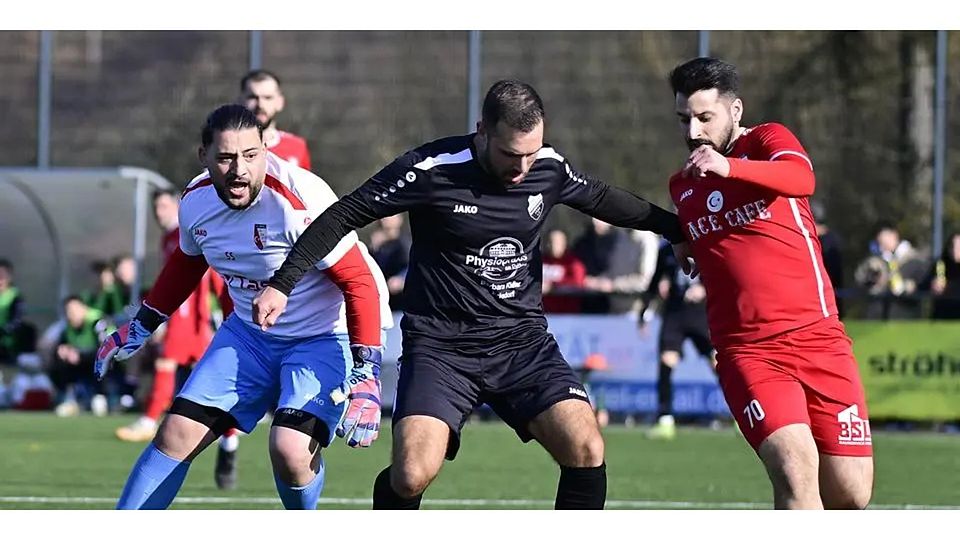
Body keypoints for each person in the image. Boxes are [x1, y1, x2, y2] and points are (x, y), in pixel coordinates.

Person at [252, 79, 688, 510]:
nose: (522, 168)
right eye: (510, 155)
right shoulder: (431, 168)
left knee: (586, 449)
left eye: (531, 154)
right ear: (482, 130)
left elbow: (604, 199)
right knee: (410, 476)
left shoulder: (548, 167)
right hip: (441, 348)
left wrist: (678, 230)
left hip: (522, 343)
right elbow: (344, 214)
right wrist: (282, 283)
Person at [95, 104, 391, 510]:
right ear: (204, 157)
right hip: (249, 336)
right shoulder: (196, 201)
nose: (240, 170)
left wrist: (368, 373)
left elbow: (359, 281)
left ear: (266, 150)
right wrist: (143, 324)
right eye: (226, 157)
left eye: (250, 156)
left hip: (324, 335)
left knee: (289, 449)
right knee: (175, 434)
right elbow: (188, 261)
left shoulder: (300, 200)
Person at [667, 57, 873, 509]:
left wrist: (729, 168)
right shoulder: (682, 187)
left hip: (821, 340)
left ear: (735, 110)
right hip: (750, 352)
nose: (693, 132)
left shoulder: (767, 140)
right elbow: (695, 235)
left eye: (705, 118)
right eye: (684, 119)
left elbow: (802, 178)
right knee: (796, 475)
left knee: (852, 494)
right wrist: (678, 240)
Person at [645, 240, 716, 440]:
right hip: (674, 314)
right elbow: (656, 278)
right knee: (667, 361)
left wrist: (704, 288)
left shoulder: (704, 239)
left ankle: (740, 414)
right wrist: (645, 310)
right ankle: (665, 419)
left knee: (718, 362)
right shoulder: (666, 248)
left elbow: (722, 269)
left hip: (701, 314)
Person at [50, 296, 114, 417]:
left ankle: (101, 397)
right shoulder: (68, 327)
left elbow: (107, 349)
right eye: (68, 311)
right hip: (82, 361)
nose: (71, 314)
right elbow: (62, 345)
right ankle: (69, 399)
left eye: (74, 310)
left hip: (113, 360)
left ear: (84, 308)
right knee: (58, 362)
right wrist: (63, 351)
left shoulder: (97, 321)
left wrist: (80, 355)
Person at [240, 69, 312, 170]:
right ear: (240, 100)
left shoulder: (297, 146)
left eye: (267, 97)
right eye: (252, 97)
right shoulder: (228, 146)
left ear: (280, 102)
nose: (260, 104)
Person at [854, 223, 927, 320]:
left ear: (894, 235)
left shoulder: (915, 259)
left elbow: (923, 284)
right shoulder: (876, 261)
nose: (882, 247)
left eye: (884, 242)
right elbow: (860, 279)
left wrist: (906, 287)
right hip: (878, 317)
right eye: (880, 243)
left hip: (906, 317)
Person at [369, 214, 411, 309]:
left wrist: (400, 279)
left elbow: (412, 266)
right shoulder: (378, 245)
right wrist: (373, 250)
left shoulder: (405, 242)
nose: (385, 219)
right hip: (385, 305)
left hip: (401, 305)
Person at [541, 229, 587, 313]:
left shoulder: (573, 263)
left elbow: (578, 283)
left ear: (565, 243)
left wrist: (553, 287)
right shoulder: (540, 261)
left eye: (557, 242)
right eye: (551, 241)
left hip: (566, 315)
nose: (554, 245)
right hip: (543, 314)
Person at [0, 259, 26, 364]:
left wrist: (2, 331)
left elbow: (16, 321)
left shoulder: (16, 297)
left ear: (9, 277)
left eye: (3, 276)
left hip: (7, 346)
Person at [929, 232, 960, 319]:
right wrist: (933, 285)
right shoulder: (940, 264)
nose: (955, 250)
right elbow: (925, 284)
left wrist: (948, 286)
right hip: (943, 313)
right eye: (953, 246)